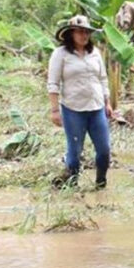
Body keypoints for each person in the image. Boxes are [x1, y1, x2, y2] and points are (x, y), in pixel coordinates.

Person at [47, 15, 112, 189]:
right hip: (73, 109)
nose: (84, 35)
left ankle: (101, 184)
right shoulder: (60, 54)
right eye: (80, 32)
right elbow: (53, 83)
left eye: (87, 32)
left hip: (96, 107)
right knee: (74, 152)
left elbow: (103, 78)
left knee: (104, 150)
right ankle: (72, 185)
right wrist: (54, 110)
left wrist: (108, 102)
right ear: (70, 34)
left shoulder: (95, 53)